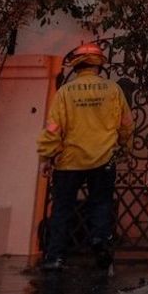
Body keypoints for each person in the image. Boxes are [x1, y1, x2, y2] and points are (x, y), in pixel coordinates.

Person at [37, 42, 133, 271]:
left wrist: (46, 157)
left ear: (77, 66)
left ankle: (56, 256)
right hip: (103, 159)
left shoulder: (65, 93)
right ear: (99, 65)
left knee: (62, 207)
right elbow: (126, 125)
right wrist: (124, 148)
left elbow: (53, 128)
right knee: (101, 203)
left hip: (69, 161)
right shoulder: (112, 90)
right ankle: (100, 243)